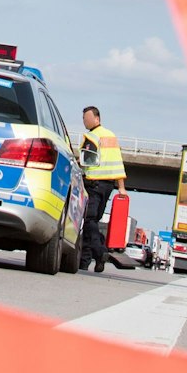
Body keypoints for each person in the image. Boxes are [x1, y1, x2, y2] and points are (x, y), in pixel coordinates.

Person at [77, 105, 126, 272]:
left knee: (89, 221)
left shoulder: (90, 137)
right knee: (93, 223)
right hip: (107, 187)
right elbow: (118, 162)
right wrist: (121, 187)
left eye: (87, 118)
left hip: (93, 184)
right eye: (84, 118)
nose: (85, 121)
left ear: (96, 119)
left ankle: (99, 252)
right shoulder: (111, 136)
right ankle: (85, 262)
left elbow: (84, 161)